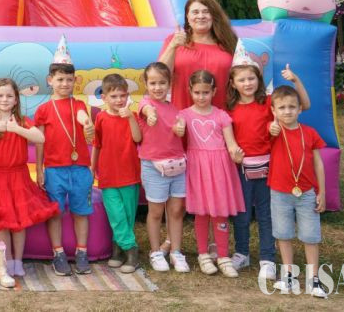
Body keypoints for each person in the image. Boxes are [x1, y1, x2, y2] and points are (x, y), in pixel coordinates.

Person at [228, 48, 313, 282]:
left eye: (251, 78)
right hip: (241, 169)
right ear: (233, 83)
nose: (247, 83)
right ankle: (242, 252)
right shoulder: (230, 108)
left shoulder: (268, 103)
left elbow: (304, 105)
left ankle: (267, 258)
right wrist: (232, 150)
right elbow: (227, 134)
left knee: (266, 214)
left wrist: (295, 80)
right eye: (242, 79)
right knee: (242, 213)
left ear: (259, 79)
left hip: (269, 168)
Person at [0, 78, 58, 287]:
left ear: (16, 99)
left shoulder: (23, 121)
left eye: (9, 96)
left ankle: (18, 260)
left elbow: (40, 138)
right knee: (2, 222)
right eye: (0, 95)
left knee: (19, 222)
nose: (5, 99)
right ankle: (5, 261)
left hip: (19, 176)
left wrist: (16, 129)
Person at [175, 70, 245, 278]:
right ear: (190, 91)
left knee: (220, 212)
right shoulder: (184, 114)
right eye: (197, 92)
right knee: (202, 212)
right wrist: (178, 129)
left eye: (205, 92)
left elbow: (231, 143)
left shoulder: (221, 115)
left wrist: (236, 154)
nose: (201, 97)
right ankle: (203, 254)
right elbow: (178, 129)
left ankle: (223, 256)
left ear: (214, 91)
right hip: (198, 168)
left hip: (220, 168)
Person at [34, 37, 95, 276]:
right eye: (60, 79)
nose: (65, 84)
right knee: (55, 212)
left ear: (75, 81)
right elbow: (39, 142)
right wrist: (39, 169)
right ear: (50, 80)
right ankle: (58, 253)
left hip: (79, 168)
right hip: (54, 169)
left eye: (69, 79)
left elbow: (82, 117)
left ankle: (82, 252)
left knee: (81, 212)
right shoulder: (43, 110)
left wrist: (87, 124)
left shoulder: (78, 104)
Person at [268, 84, 327, 298]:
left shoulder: (310, 133)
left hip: (307, 193)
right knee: (283, 234)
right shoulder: (273, 132)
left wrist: (322, 192)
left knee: (311, 236)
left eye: (292, 107)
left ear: (300, 109)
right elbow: (263, 136)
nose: (287, 111)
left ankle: (314, 279)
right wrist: (271, 127)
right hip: (279, 193)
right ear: (274, 110)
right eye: (282, 107)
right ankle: (288, 276)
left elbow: (318, 164)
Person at [135, 62, 189, 273]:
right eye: (153, 83)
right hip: (153, 166)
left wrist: (180, 128)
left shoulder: (175, 109)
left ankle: (176, 251)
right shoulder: (145, 103)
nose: (157, 87)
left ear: (169, 84)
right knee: (156, 211)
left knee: (176, 210)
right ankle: (155, 251)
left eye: (162, 83)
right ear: (146, 84)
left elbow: (180, 128)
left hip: (177, 165)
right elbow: (147, 110)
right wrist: (151, 115)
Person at [92, 74, 142, 273]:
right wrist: (92, 167)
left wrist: (130, 117)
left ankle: (118, 250)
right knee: (116, 214)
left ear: (128, 96)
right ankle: (132, 250)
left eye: (122, 95)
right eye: (114, 96)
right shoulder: (101, 117)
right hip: (108, 175)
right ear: (104, 97)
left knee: (127, 216)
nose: (119, 100)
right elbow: (97, 144)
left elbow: (137, 138)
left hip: (130, 174)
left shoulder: (133, 116)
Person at [158, 0, 237, 111]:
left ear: (213, 15)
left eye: (206, 12)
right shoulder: (174, 41)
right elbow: (161, 75)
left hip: (222, 116)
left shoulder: (229, 42)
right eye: (195, 12)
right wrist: (172, 46)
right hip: (181, 116)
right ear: (187, 17)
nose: (201, 16)